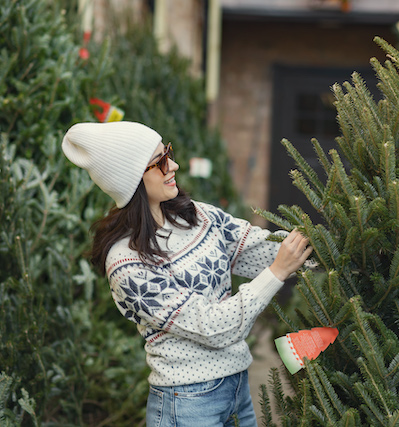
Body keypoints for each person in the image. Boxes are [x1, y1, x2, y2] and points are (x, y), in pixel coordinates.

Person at [62, 121, 313, 427]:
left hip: (237, 388)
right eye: (160, 161)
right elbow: (212, 327)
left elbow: (261, 248)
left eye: (167, 152)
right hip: (189, 404)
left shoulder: (197, 215)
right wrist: (277, 273)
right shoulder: (126, 262)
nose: (174, 165)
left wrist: (333, 248)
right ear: (131, 179)